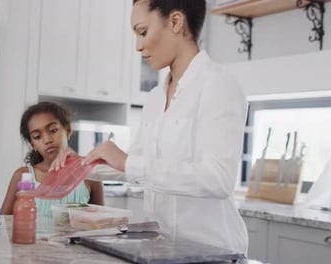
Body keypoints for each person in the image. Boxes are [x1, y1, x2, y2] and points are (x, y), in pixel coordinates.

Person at [50, 0, 248, 253]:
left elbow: (217, 179)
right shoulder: (155, 96)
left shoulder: (218, 85)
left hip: (213, 252)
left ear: (175, 21)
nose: (138, 46)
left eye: (142, 32)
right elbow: (138, 168)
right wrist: (79, 166)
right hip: (164, 248)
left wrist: (126, 162)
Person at [1, 102, 104, 216]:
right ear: (33, 144)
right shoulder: (23, 176)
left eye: (53, 130)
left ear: (68, 130)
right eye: (37, 137)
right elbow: (4, 224)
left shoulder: (90, 175)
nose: (47, 140)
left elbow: (99, 224)